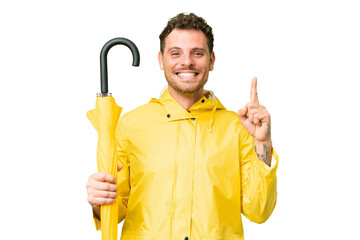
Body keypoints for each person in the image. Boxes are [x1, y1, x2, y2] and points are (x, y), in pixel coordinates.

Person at [86, 12, 278, 240]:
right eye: (175, 53)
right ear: (161, 60)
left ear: (211, 60)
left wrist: (262, 143)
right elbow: (117, 208)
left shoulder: (237, 128)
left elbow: (258, 211)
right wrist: (100, 202)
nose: (187, 62)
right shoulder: (131, 125)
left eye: (197, 53)